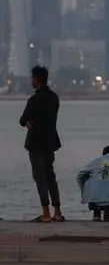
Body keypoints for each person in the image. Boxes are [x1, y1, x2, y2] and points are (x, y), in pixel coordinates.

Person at [19, 65, 64, 223]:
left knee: (40, 178)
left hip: (35, 142)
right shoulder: (54, 97)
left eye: (32, 78)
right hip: (50, 141)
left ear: (36, 80)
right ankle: (57, 212)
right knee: (50, 176)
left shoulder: (34, 99)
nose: (31, 81)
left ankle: (45, 213)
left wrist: (29, 122)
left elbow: (22, 120)